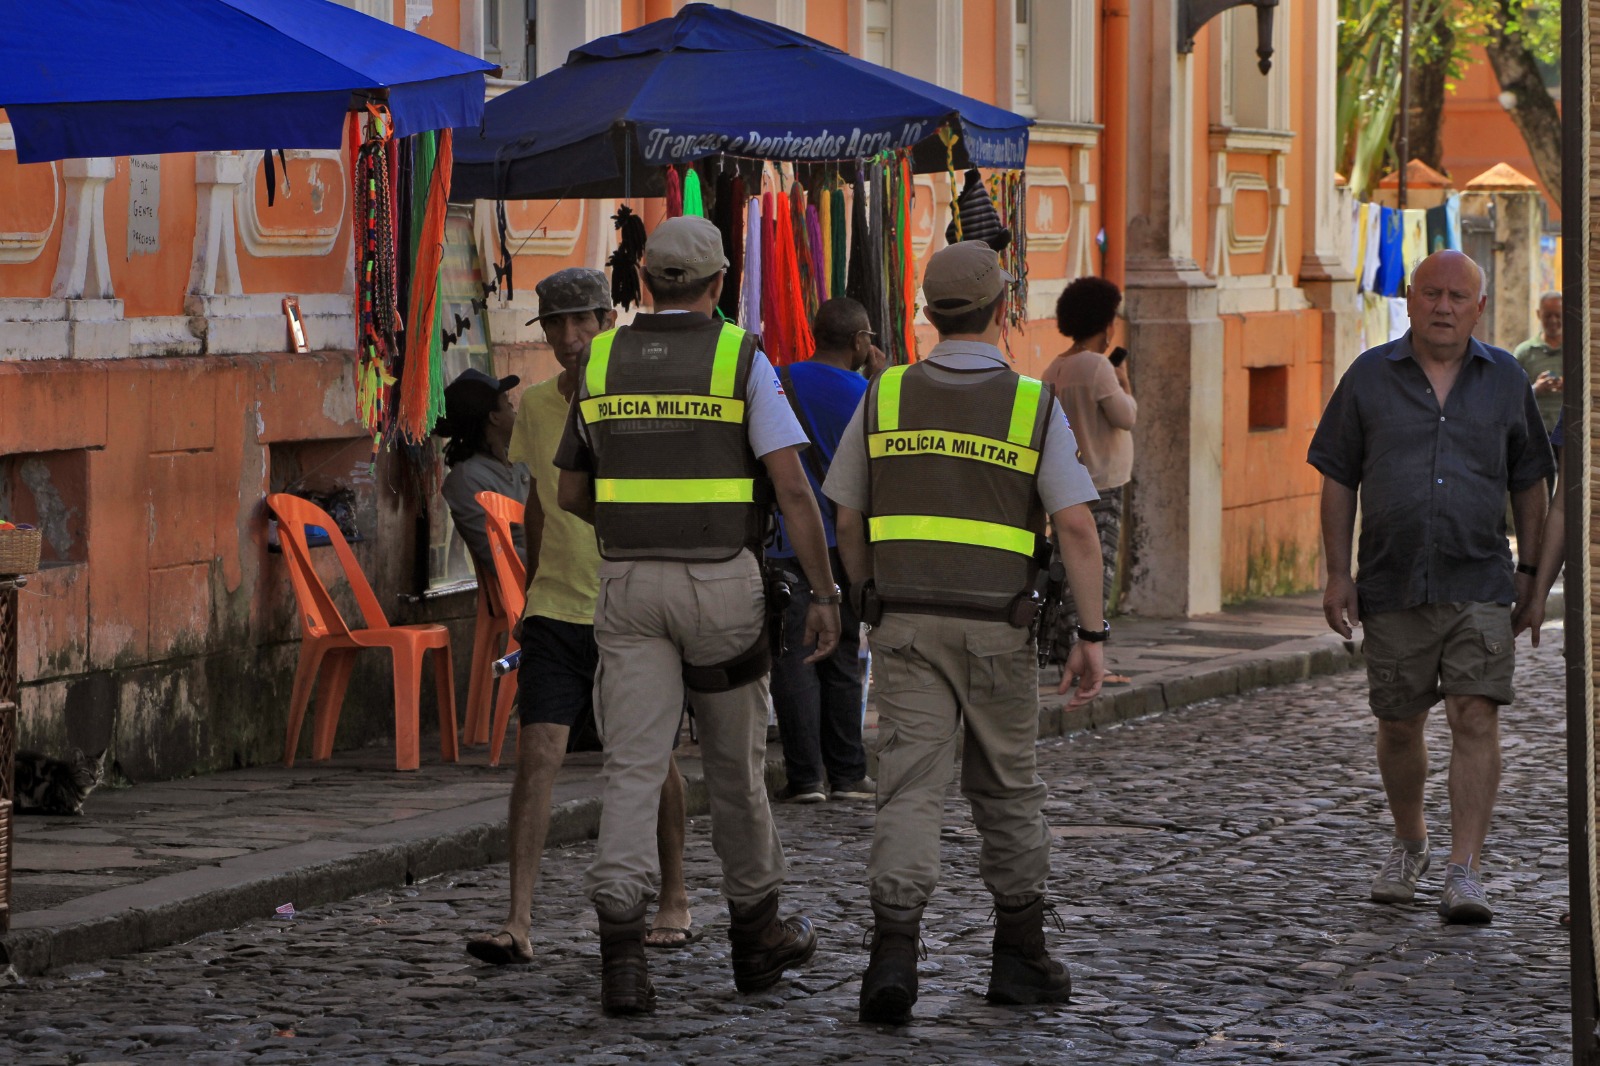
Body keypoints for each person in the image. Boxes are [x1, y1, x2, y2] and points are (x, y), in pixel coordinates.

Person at [555, 216, 842, 1015]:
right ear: (720, 283)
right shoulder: (741, 357)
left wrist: (637, 526)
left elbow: (570, 490)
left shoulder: (600, 358)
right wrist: (825, 594)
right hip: (722, 586)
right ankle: (756, 937)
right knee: (735, 769)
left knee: (634, 768)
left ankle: (622, 957)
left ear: (645, 283)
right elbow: (792, 488)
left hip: (628, 585)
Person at [824, 240, 1109, 1025]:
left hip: (906, 624)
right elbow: (1076, 528)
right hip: (996, 632)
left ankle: (893, 957)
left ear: (927, 312)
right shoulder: (1031, 404)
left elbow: (846, 517)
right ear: (1000, 309)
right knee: (1008, 789)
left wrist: (866, 595)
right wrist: (1092, 632)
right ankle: (1019, 956)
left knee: (908, 789)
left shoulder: (883, 395)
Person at [1309, 249, 1554, 925]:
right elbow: (1338, 476)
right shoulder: (1369, 376)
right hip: (1392, 580)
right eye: (1430, 293)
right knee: (1398, 723)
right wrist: (1338, 573)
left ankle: (1463, 869)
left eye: (1457, 296)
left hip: (1480, 578)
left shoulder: (1506, 379)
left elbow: (1531, 482)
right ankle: (1410, 842)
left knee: (1475, 714)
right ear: (1411, 299)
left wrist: (1532, 576)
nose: (1443, 306)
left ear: (1480, 308)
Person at [462, 268, 695, 967]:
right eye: (556, 325)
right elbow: (539, 503)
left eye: (581, 322)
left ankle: (675, 896)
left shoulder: (638, 399)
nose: (569, 337)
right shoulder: (536, 406)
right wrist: (529, 594)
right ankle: (518, 921)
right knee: (537, 755)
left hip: (630, 605)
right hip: (556, 609)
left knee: (651, 759)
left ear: (607, 321)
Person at [767, 296, 885, 804]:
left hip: (783, 540)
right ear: (860, 341)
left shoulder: (778, 381)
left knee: (794, 656)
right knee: (841, 655)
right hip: (843, 543)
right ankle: (848, 772)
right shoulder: (867, 396)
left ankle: (805, 778)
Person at [1042, 275, 1136, 625]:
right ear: (1106, 325)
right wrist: (1124, 382)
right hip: (1103, 485)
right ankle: (1089, 641)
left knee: (1066, 572)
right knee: (1097, 574)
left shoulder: (1053, 368)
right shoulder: (1098, 366)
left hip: (1064, 485)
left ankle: (1064, 641)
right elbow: (1125, 417)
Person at [437, 367, 529, 572]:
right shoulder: (467, 479)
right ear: (494, 417)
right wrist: (557, 563)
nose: (514, 411)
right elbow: (499, 556)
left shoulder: (521, 459)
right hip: (530, 583)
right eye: (508, 405)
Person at [1512, 291, 1563, 437]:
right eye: (1548, 316)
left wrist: (1572, 387)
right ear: (1539, 314)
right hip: (1535, 434)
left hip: (1570, 433)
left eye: (1558, 315)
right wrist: (1535, 389)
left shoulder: (1577, 350)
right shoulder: (1524, 352)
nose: (1553, 321)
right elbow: (1510, 394)